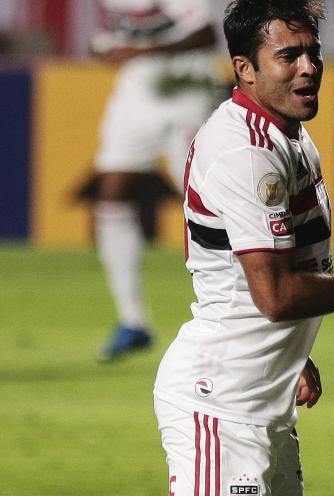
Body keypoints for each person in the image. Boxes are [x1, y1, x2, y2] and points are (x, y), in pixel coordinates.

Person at [152, 1, 334, 496]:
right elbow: (275, 295)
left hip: (263, 402)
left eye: (313, 53)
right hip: (222, 405)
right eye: (288, 56)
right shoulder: (245, 153)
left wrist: (294, 351)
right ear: (244, 68)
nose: (309, 68)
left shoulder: (288, 136)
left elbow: (288, 267)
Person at [92, 0, 226, 361]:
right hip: (136, 94)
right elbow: (108, 37)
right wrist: (105, 49)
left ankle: (239, 309)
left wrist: (143, 50)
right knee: (111, 193)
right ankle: (133, 321)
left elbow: (206, 33)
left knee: (209, 203)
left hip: (188, 94)